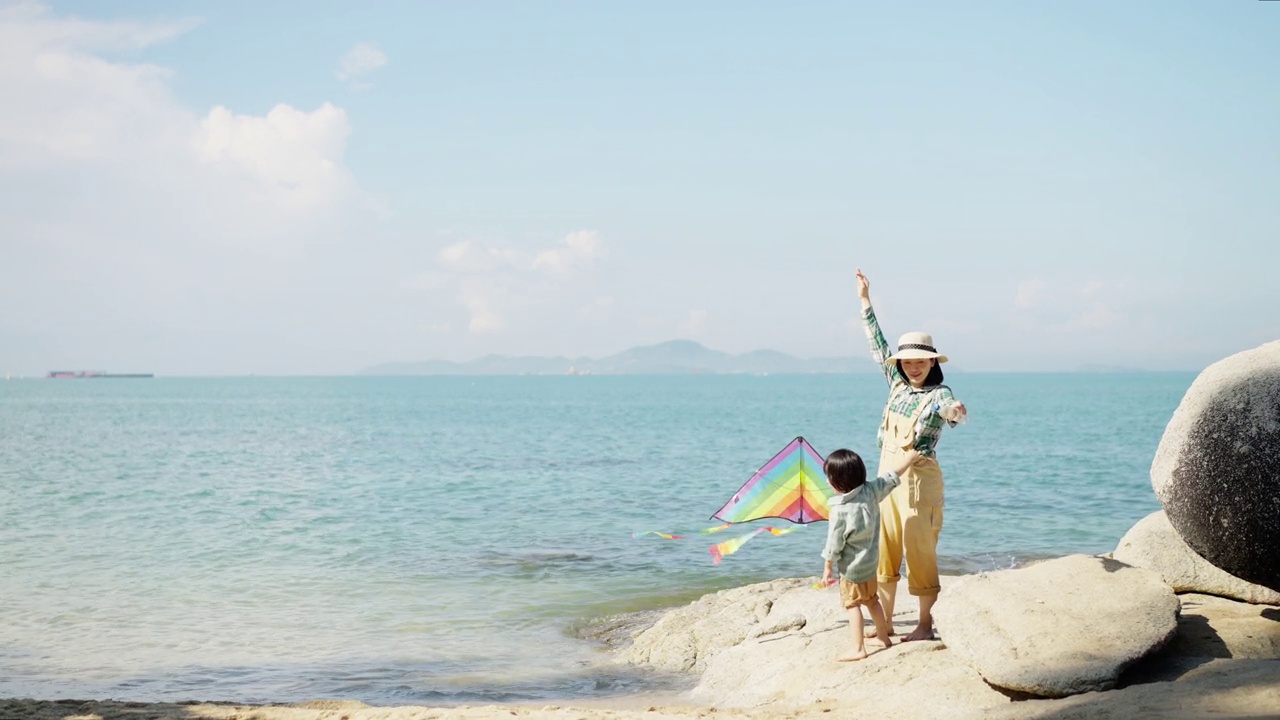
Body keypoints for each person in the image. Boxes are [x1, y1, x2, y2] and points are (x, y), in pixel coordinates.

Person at [855, 267, 966, 642]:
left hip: (919, 482)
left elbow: (951, 410)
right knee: (883, 551)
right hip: (886, 480)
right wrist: (865, 300)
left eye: (921, 360)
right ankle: (883, 622)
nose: (913, 366)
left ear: (933, 362)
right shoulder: (896, 385)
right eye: (908, 361)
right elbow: (878, 345)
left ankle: (923, 624)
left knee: (920, 552)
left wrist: (956, 412)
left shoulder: (940, 394)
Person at [821, 447, 922, 661]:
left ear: (836, 482)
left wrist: (828, 569)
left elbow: (834, 544)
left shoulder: (840, 510)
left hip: (851, 570)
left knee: (852, 605)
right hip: (870, 564)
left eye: (828, 477)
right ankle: (884, 637)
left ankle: (858, 648)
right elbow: (891, 477)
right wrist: (910, 458)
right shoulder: (871, 491)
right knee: (872, 600)